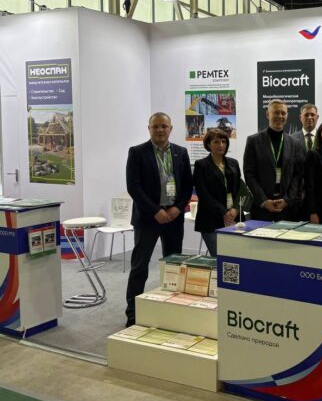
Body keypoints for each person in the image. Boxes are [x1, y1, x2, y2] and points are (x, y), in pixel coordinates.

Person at [125, 112, 193, 326]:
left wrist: (177, 209)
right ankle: (133, 313)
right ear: (149, 129)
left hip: (173, 218)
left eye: (164, 126)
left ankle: (172, 309)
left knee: (174, 265)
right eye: (155, 126)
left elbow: (187, 185)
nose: (160, 130)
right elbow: (133, 187)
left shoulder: (181, 152)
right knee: (140, 267)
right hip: (148, 218)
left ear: (171, 128)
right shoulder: (137, 152)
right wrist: (155, 211)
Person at [243, 99, 304, 221]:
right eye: (276, 112)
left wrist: (287, 200)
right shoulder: (253, 141)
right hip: (262, 209)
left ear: (287, 116)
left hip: (287, 209)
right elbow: (249, 174)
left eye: (283, 113)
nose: (280, 116)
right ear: (267, 114)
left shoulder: (295, 143)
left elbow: (297, 175)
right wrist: (264, 201)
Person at [192, 128, 241, 257]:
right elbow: (203, 194)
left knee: (236, 257)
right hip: (211, 219)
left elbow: (239, 189)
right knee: (219, 258)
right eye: (216, 142)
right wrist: (224, 212)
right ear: (208, 144)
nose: (221, 145)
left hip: (234, 217)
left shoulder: (233, 163)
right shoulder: (201, 165)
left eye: (224, 141)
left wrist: (235, 209)